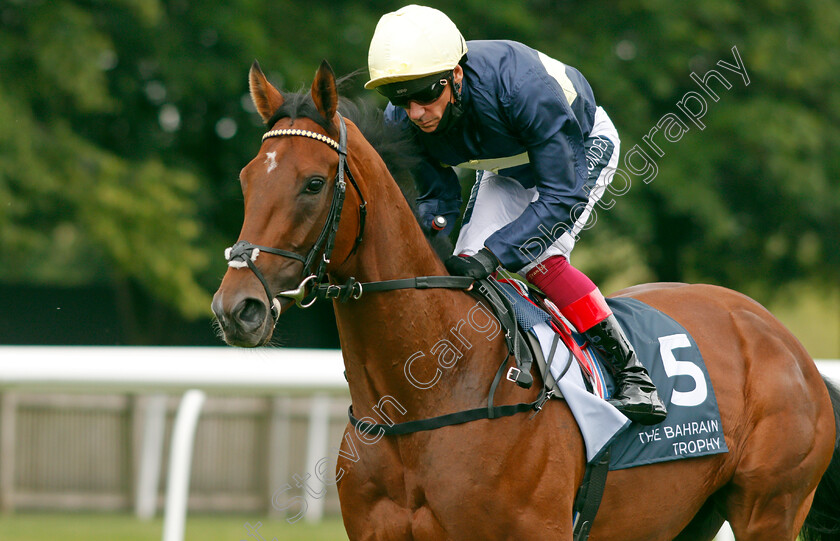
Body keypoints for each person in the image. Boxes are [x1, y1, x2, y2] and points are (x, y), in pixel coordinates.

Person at [364, 5, 666, 425]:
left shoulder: (523, 89)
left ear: (455, 74)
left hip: (576, 147)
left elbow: (560, 196)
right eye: (401, 98)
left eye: (426, 95)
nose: (416, 112)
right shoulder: (405, 119)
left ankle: (633, 376)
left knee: (536, 258)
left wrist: (497, 254)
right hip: (507, 164)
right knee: (466, 263)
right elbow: (438, 200)